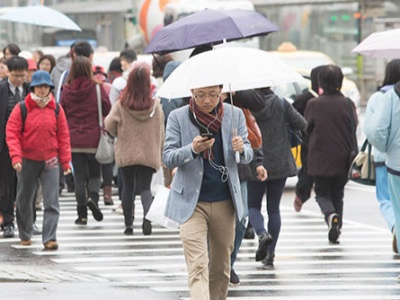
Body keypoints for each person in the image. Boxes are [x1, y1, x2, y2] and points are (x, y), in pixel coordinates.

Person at [163, 83, 253, 300]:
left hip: (224, 201)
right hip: (191, 203)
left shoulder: (235, 114)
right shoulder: (178, 117)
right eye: (201, 95)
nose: (207, 100)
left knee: (221, 269)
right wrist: (193, 149)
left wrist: (241, 148)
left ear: (221, 92)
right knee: (197, 265)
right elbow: (167, 156)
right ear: (191, 92)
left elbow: (249, 153)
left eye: (213, 95)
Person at [6, 70, 71, 250]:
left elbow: (63, 137)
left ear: (50, 88)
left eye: (46, 87)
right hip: (26, 160)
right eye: (39, 86)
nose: (43, 90)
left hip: (50, 160)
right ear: (33, 88)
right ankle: (25, 233)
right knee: (24, 199)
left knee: (52, 201)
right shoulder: (22, 108)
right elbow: (12, 134)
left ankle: (49, 237)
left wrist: (66, 162)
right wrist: (16, 157)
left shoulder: (57, 109)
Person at [248, 87, 307, 266]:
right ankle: (271, 253)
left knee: (252, 206)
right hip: (280, 162)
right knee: (274, 209)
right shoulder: (282, 103)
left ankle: (261, 233)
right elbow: (302, 124)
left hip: (254, 162)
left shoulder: (247, 106)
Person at [105, 61, 164, 236]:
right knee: (145, 188)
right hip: (148, 152)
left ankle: (128, 225)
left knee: (128, 187)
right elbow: (161, 129)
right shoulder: (155, 104)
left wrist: (119, 132)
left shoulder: (121, 104)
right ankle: (147, 215)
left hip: (127, 152)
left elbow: (109, 124)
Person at [305, 64, 358, 244]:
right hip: (344, 157)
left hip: (320, 158)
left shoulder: (314, 104)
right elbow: (354, 126)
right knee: (338, 194)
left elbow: (307, 128)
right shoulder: (348, 103)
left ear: (321, 82)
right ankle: (337, 226)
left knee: (322, 194)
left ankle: (330, 216)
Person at [60, 56, 111, 225]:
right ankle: (94, 200)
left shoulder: (66, 90)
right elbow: (107, 108)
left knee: (80, 178)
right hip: (93, 138)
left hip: (73, 138)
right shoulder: (97, 88)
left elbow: (62, 112)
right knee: (95, 174)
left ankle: (81, 215)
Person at [364, 59, 400, 254]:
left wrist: (386, 148)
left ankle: (395, 227)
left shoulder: (382, 97)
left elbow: (373, 130)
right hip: (391, 158)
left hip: (389, 161)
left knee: (388, 201)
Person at [0, 56, 29, 238]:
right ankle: (8, 223)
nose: (19, 79)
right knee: (6, 186)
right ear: (8, 72)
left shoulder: (30, 90)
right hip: (5, 147)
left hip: (27, 145)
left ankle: (27, 223)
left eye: (22, 75)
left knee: (26, 186)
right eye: (16, 75)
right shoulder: (2, 89)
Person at [292, 66, 323, 212]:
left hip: (326, 143)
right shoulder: (304, 99)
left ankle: (325, 202)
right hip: (308, 143)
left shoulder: (331, 98)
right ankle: (301, 195)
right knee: (307, 172)